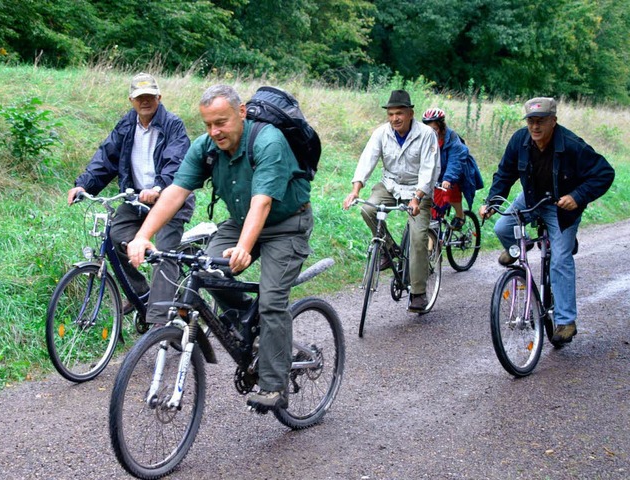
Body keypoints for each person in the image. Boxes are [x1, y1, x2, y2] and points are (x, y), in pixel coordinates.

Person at [126, 84, 313, 413]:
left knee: (271, 300)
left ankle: (274, 384)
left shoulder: (268, 141)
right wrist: (143, 235)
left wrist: (244, 247)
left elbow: (263, 201)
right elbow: (175, 192)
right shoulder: (206, 147)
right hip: (241, 222)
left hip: (286, 226)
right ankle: (247, 324)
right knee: (206, 271)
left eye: (222, 122)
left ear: (241, 113)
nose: (215, 131)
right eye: (208, 124)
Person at [479, 97, 614, 345]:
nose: (535, 127)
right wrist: (491, 203)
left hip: (561, 208)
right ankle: (522, 247)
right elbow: (505, 174)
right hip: (530, 199)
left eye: (541, 121)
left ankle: (565, 321)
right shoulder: (519, 141)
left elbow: (605, 173)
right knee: (502, 227)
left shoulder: (572, 145)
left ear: (554, 121)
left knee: (561, 259)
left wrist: (577, 196)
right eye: (531, 121)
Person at [67, 72, 194, 323]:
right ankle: (142, 293)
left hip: (169, 199)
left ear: (159, 97)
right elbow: (106, 159)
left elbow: (175, 163)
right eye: (139, 97)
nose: (144, 101)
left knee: (165, 253)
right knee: (116, 236)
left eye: (149, 96)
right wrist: (84, 185)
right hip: (136, 199)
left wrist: (158, 187)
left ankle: (159, 321)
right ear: (131, 100)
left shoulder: (173, 125)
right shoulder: (126, 125)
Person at [342, 90, 440, 312]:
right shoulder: (381, 133)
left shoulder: (426, 134)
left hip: (418, 190)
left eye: (400, 113)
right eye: (391, 114)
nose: (395, 118)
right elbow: (368, 159)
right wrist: (355, 190)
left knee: (417, 240)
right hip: (391, 185)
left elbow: (428, 170)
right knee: (368, 209)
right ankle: (390, 250)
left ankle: (418, 292)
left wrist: (417, 198)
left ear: (410, 113)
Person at [422, 108, 483, 227]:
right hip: (437, 174)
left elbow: (455, 160)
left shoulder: (452, 138)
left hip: (457, 171)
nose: (431, 133)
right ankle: (434, 241)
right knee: (432, 210)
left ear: (441, 126)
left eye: (434, 129)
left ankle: (460, 215)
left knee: (449, 191)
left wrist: (448, 179)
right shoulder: (424, 139)